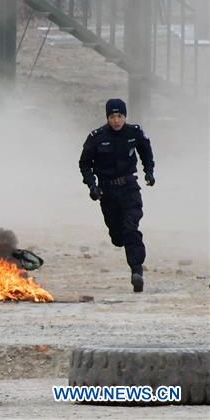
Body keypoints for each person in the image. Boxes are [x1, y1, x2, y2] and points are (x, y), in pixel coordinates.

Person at [79, 98, 155, 292]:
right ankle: (123, 243)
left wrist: (149, 171)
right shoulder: (96, 137)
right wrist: (92, 186)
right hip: (108, 192)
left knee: (131, 228)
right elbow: (85, 163)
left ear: (125, 116)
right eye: (112, 116)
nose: (116, 120)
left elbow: (146, 151)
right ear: (107, 117)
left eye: (120, 116)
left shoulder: (134, 132)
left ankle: (136, 271)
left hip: (129, 188)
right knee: (118, 237)